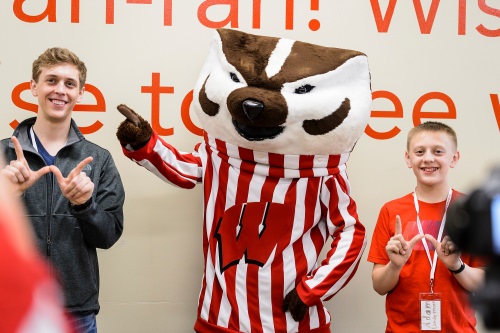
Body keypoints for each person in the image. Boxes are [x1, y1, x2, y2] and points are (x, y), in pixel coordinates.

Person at [0, 47, 125, 333]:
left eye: (70, 84)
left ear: (80, 93)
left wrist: (84, 206)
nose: (60, 90)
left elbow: (108, 235)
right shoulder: (2, 153)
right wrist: (9, 197)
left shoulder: (99, 159)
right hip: (12, 308)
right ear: (33, 87)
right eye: (51, 80)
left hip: (76, 314)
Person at [367, 121, 486, 332]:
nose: (428, 158)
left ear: (454, 158)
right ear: (408, 158)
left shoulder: (472, 211)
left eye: (438, 151)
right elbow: (379, 286)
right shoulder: (391, 210)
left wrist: (456, 265)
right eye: (420, 151)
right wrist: (395, 266)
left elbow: (483, 284)